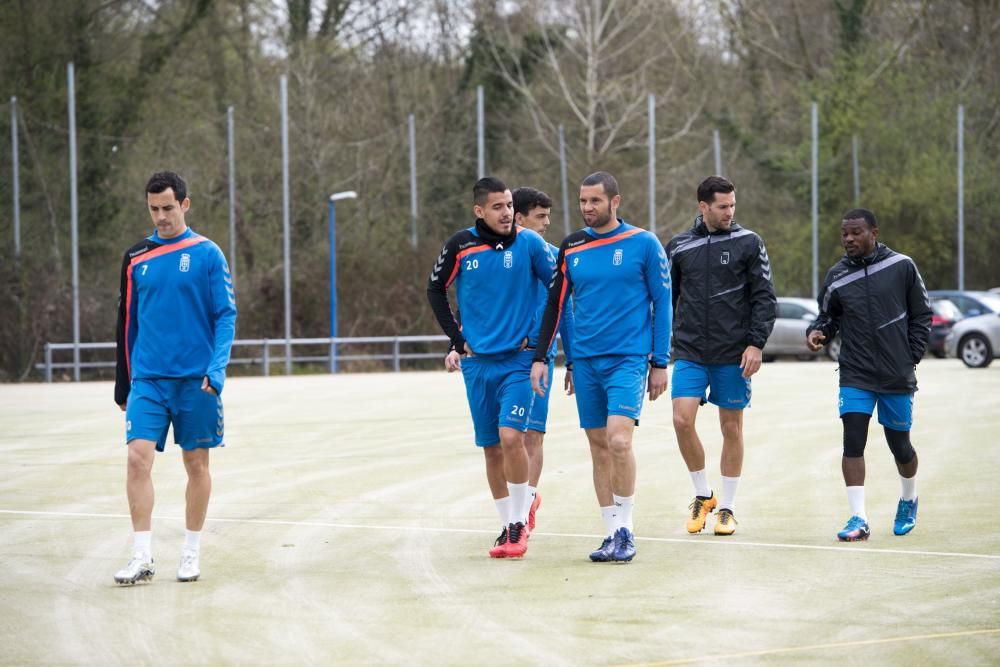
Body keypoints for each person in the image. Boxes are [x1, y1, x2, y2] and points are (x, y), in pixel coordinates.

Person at [531, 171, 671, 563]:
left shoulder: (643, 243)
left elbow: (664, 303)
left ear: (615, 201)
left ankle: (626, 530)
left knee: (619, 441)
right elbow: (556, 305)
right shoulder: (571, 247)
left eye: (594, 200)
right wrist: (546, 358)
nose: (587, 208)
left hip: (628, 359)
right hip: (587, 363)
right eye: (582, 201)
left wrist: (660, 361)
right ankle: (610, 533)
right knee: (597, 447)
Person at [113, 171, 237, 584]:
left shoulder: (207, 254)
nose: (161, 216)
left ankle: (190, 552)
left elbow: (225, 316)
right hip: (148, 378)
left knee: (196, 465)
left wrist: (215, 371)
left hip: (196, 380)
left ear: (185, 204)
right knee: (136, 459)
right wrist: (123, 382)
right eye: (154, 209)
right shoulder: (136, 258)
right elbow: (126, 322)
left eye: (168, 207)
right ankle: (143, 556)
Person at [429, 176, 558, 559]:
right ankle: (506, 524)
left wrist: (539, 345)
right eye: (498, 207)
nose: (506, 214)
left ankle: (519, 523)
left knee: (512, 437)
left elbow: (558, 291)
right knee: (490, 449)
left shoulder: (531, 244)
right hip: (477, 365)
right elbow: (435, 289)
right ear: (480, 210)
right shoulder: (461, 245)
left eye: (509, 206)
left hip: (519, 362)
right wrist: (457, 340)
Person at [806, 208, 931, 541]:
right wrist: (818, 332)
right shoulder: (836, 276)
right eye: (845, 233)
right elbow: (827, 318)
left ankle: (908, 498)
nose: (849, 239)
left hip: (896, 373)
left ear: (873, 232)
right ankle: (858, 518)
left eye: (856, 232)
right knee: (853, 441)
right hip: (855, 373)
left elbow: (922, 315)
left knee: (900, 445)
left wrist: (910, 356)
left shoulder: (901, 266)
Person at [666, 176, 776, 537]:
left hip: (733, 353)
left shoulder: (749, 242)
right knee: (682, 420)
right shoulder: (680, 246)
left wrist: (756, 343)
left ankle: (727, 507)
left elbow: (764, 297)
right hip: (690, 350)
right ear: (703, 207)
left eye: (732, 205)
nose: (729, 212)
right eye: (722, 206)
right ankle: (704, 495)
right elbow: (668, 298)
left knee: (731, 428)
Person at [510, 186, 575, 533]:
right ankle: (518, 503)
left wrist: (574, 361)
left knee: (532, 436)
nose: (547, 223)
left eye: (549, 216)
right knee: (507, 438)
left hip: (540, 358)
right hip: (502, 358)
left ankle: (525, 504)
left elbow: (566, 313)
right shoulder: (498, 255)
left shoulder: (554, 257)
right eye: (540, 217)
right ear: (518, 218)